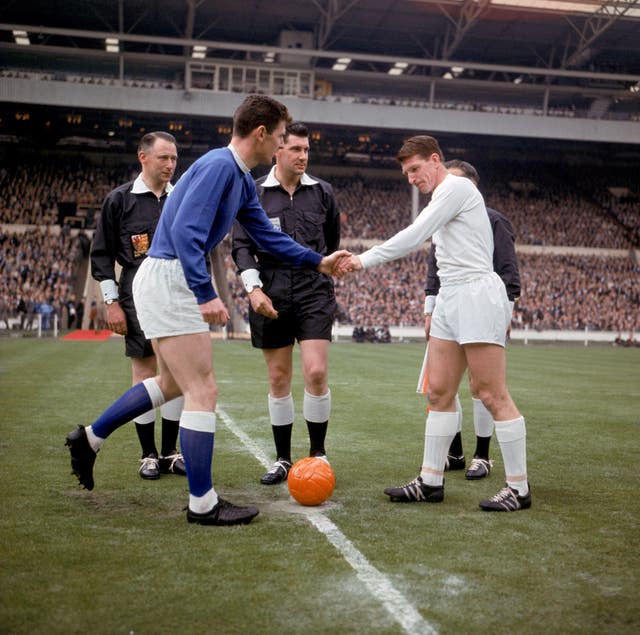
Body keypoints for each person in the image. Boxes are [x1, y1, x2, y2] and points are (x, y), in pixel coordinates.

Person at [65, 94, 350, 526]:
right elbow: (184, 231)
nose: (278, 146)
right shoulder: (220, 166)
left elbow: (266, 238)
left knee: (172, 383)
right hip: (171, 278)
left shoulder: (237, 178)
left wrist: (318, 260)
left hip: (166, 278)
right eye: (277, 138)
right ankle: (202, 503)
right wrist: (205, 292)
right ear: (260, 134)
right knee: (203, 390)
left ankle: (90, 438)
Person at [338, 135, 530, 512]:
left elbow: (414, 235)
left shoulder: (455, 187)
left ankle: (519, 489)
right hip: (450, 297)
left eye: (414, 169)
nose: (410, 178)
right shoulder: (442, 196)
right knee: (439, 393)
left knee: (491, 394)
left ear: (435, 160)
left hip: (476, 293)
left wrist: (362, 261)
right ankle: (430, 481)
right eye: (405, 172)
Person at [231, 122, 340, 485]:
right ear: (278, 150)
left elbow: (330, 242)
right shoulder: (255, 191)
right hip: (270, 291)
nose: (302, 156)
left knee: (316, 372)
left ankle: (318, 454)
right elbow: (241, 245)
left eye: (307, 150)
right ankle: (282, 459)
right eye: (295, 149)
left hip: (313, 290)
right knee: (279, 378)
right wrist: (253, 288)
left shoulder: (323, 193)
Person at [90, 131, 186, 480]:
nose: (170, 165)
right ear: (143, 158)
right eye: (164, 157)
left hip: (177, 293)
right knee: (145, 372)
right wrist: (111, 302)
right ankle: (148, 454)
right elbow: (101, 255)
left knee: (176, 373)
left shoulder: (183, 198)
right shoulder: (119, 200)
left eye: (174, 158)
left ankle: (171, 452)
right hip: (137, 295)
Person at [423, 159, 521, 480]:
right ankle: (454, 453)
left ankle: (483, 455)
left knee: (481, 387)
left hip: (482, 305)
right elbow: (435, 269)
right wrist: (430, 306)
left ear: (471, 188)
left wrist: (503, 312)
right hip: (449, 308)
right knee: (440, 386)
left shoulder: (494, 221)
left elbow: (509, 273)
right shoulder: (442, 219)